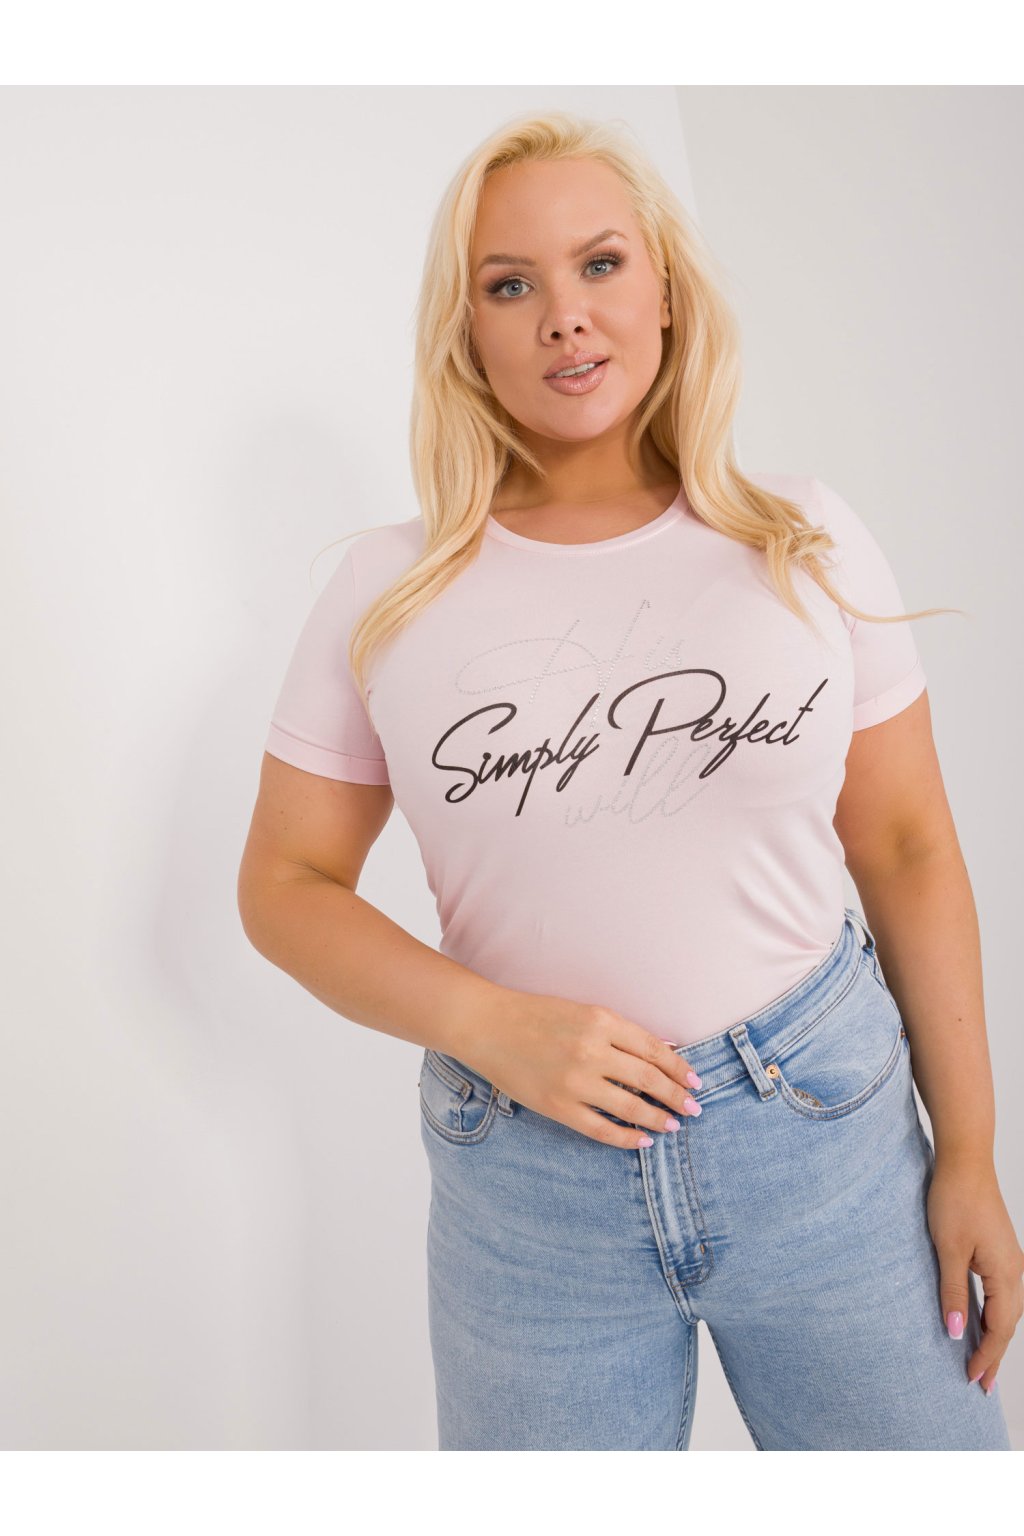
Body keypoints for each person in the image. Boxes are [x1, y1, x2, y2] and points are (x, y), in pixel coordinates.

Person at [237, 110, 1022, 1450]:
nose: (565, 316)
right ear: (466, 331)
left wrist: (972, 1154)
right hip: (529, 1188)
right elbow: (284, 884)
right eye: (510, 284)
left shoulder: (803, 540)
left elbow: (906, 847)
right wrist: (490, 1026)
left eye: (600, 264)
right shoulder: (389, 589)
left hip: (824, 1141)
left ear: (664, 287)